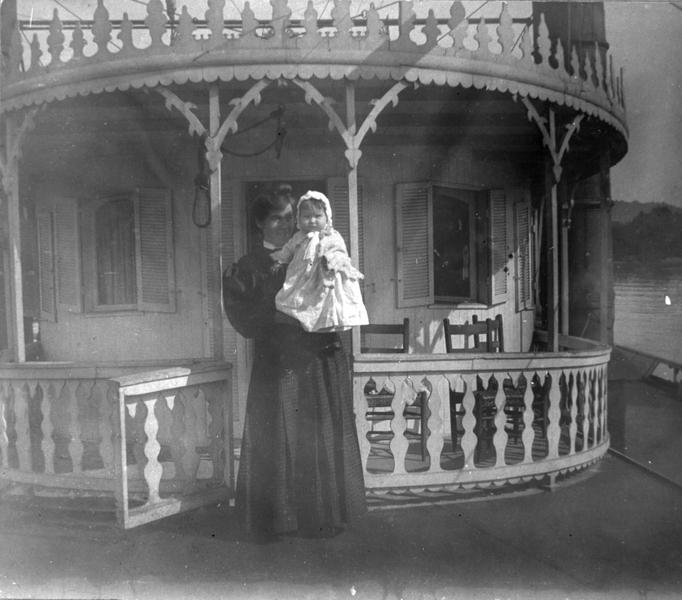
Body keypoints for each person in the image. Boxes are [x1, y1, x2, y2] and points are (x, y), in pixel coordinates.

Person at [222, 185, 367, 540]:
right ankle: (279, 519)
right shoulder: (250, 266)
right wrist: (278, 318)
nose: (286, 225)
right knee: (278, 433)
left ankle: (322, 515)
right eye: (277, 219)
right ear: (259, 224)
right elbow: (244, 317)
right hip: (280, 360)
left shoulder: (316, 245)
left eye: (290, 217)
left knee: (319, 430)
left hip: (319, 358)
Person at [271, 190, 369, 332]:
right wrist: (279, 259)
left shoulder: (331, 235)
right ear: (299, 218)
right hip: (301, 277)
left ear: (327, 216)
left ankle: (326, 321)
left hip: (323, 276)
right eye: (307, 217)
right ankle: (302, 318)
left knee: (324, 302)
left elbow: (339, 251)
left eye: (318, 216)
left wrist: (332, 260)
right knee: (299, 298)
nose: (312, 220)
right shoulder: (299, 237)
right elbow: (288, 250)